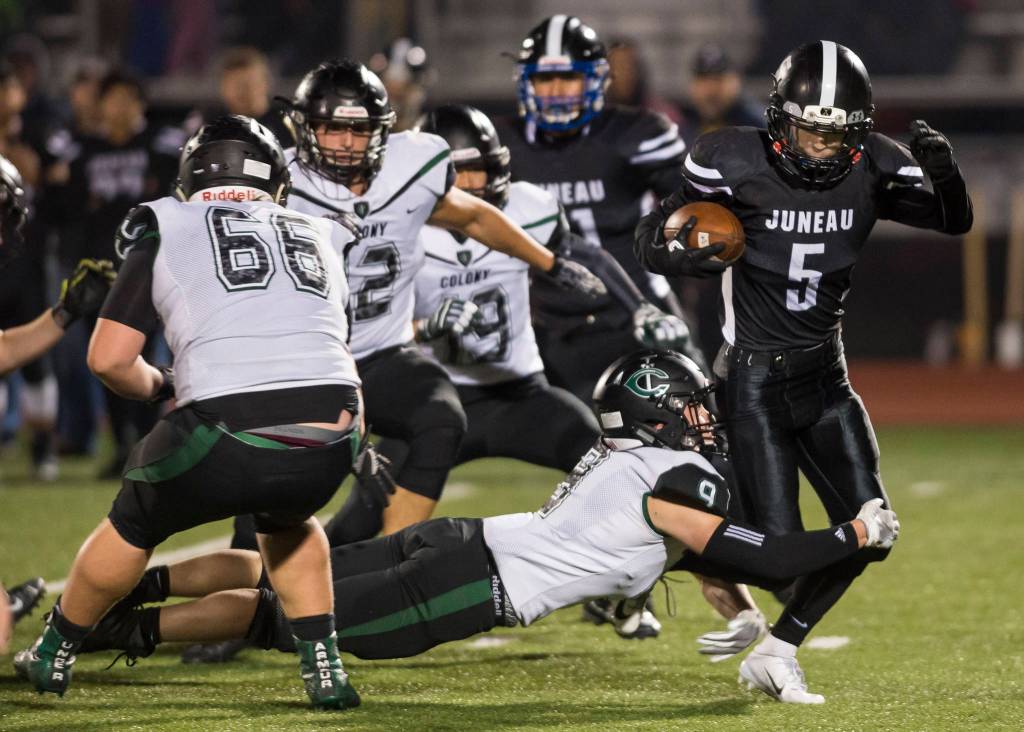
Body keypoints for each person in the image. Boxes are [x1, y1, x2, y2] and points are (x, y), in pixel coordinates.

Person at [71, 350, 899, 672]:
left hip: (461, 540)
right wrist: (856, 531)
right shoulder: (681, 481)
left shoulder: (630, 460)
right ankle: (121, 629)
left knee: (278, 568)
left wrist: (735, 595)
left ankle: (123, 589)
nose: (704, 418)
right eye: (690, 407)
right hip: (471, 581)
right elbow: (771, 555)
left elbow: (708, 556)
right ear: (661, 417)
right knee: (272, 621)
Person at [13, 116, 389, 710]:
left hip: (225, 424)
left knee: (134, 519)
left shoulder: (165, 221)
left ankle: (55, 649)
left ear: (190, 177)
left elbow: (109, 359)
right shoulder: (321, 230)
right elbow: (329, 345)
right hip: (340, 423)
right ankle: (325, 666)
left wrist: (160, 384)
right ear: (276, 183)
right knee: (290, 521)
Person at [634, 41, 972, 703]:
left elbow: (952, 221)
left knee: (874, 527)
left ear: (858, 131)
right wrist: (684, 254)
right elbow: (651, 236)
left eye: (834, 133)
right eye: (808, 129)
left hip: (827, 378)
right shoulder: (727, 158)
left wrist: (947, 176)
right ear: (778, 119)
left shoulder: (875, 164)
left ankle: (777, 651)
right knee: (782, 557)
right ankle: (676, 555)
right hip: (753, 380)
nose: (820, 146)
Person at [270, 60, 604, 543]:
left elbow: (473, 216)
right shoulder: (281, 187)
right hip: (307, 363)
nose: (345, 143)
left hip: (383, 357)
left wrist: (549, 265)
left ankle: (390, 563)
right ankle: (244, 594)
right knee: (274, 500)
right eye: (331, 128)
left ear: (381, 132)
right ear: (304, 127)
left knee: (440, 414)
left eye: (358, 130)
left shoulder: (412, 170)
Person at [494, 15, 703, 404]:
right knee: (580, 448)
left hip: (639, 313)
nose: (556, 91)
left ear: (596, 80)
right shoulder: (502, 145)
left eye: (569, 77)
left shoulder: (637, 131)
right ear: (526, 82)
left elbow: (693, 210)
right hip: (553, 326)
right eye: (544, 78)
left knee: (699, 427)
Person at [678, 44, 763, 150]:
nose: (711, 90)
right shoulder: (683, 127)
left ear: (736, 82)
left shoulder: (757, 128)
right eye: (703, 80)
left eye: (718, 80)